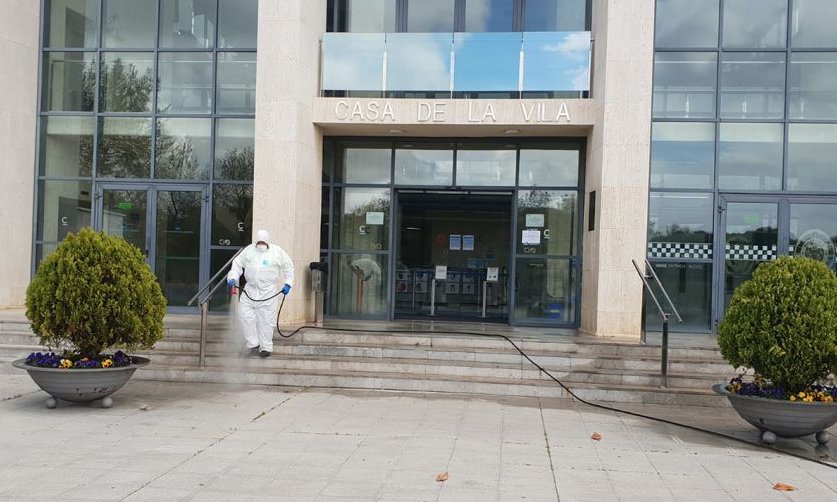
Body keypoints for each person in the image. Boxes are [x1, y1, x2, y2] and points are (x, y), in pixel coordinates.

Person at [227, 229, 294, 358]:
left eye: (263, 242)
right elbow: (237, 264)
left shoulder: (277, 252)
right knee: (245, 316)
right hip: (250, 290)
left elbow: (288, 267)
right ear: (256, 241)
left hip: (267, 292)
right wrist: (233, 276)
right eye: (259, 242)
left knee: (266, 321)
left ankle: (266, 347)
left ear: (268, 241)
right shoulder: (249, 251)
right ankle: (252, 344)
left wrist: (288, 283)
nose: (261, 245)